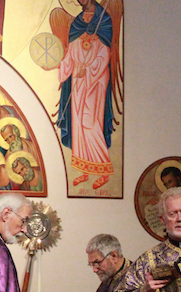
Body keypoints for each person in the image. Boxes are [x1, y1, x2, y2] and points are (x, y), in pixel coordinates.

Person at [56, 0, 118, 190]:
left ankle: (104, 169)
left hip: (95, 84)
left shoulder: (104, 22)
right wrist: (59, 68)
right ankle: (84, 169)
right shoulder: (77, 25)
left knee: (89, 123)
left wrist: (89, 71)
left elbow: (105, 55)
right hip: (78, 85)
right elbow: (70, 56)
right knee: (78, 126)